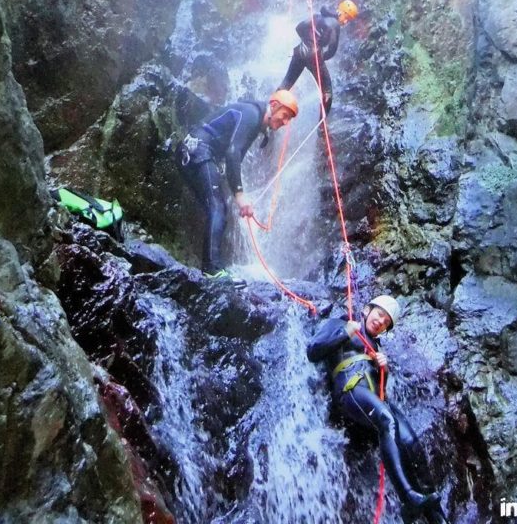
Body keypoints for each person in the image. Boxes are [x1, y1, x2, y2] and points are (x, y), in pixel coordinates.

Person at [307, 295, 446, 522]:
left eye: (385, 322)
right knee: (386, 420)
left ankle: (437, 516)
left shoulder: (377, 346)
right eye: (379, 314)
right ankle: (408, 498)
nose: (380, 321)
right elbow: (313, 351)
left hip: (372, 397)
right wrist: (345, 333)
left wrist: (384, 369)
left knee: (411, 442)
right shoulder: (341, 324)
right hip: (350, 389)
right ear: (367, 310)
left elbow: (381, 390)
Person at [177, 90, 299, 276]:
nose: (285, 122)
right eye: (285, 116)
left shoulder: (255, 121)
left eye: (289, 119)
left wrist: (240, 198)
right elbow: (232, 153)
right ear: (273, 106)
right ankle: (212, 270)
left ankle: (210, 267)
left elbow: (236, 158)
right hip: (198, 150)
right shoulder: (252, 114)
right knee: (218, 208)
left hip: (193, 151)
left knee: (216, 209)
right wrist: (240, 196)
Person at [278, 0, 358, 117]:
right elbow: (332, 50)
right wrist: (321, 57)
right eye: (347, 17)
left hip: (299, 52)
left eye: (349, 20)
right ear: (341, 12)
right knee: (327, 92)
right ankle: (322, 127)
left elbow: (299, 28)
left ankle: (269, 112)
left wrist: (306, 42)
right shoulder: (335, 24)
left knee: (286, 83)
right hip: (315, 57)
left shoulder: (316, 16)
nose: (346, 22)